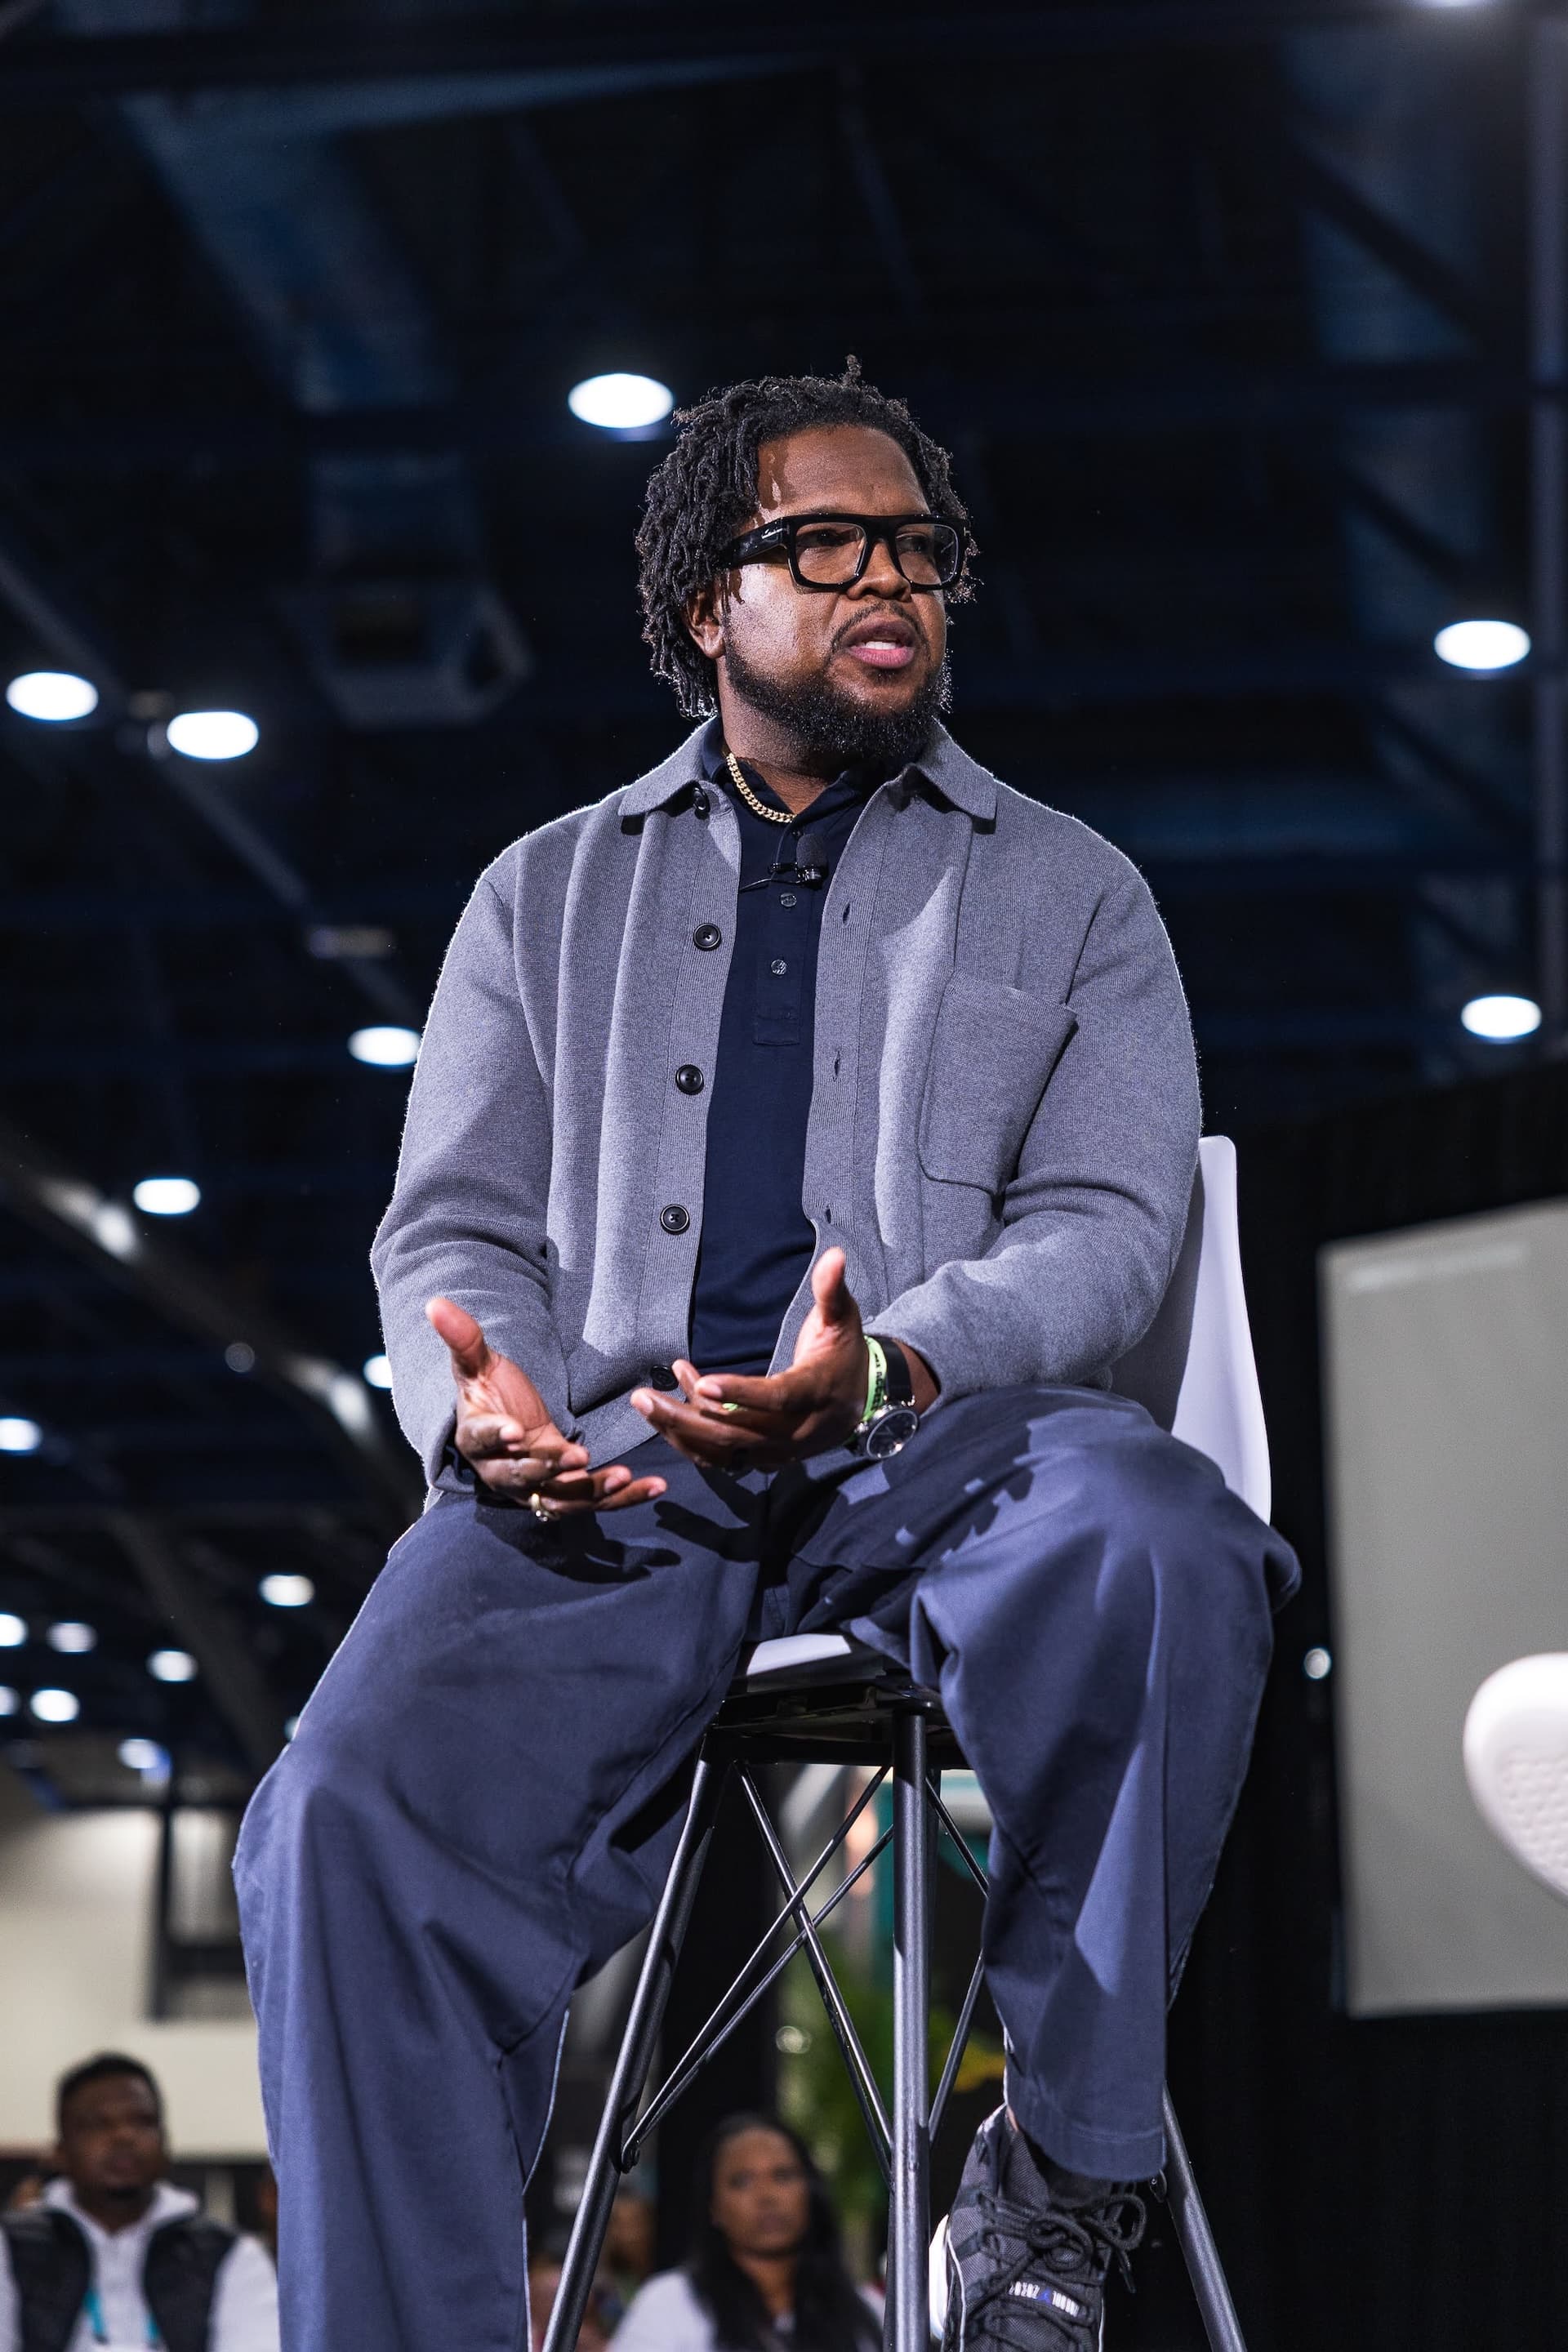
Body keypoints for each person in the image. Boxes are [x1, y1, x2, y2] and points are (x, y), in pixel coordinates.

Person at [234, 363, 1299, 2352]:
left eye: (914, 543)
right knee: (338, 1813)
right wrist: (482, 1402)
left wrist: (892, 1360)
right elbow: (453, 1228)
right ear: (705, 603)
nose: (885, 574)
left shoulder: (1075, 891)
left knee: (1168, 1541)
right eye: (822, 541)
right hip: (624, 1473)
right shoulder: (540, 893)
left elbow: (1105, 1225)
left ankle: (1057, 2193)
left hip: (940, 1446)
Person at [0, 2053, 278, 2352]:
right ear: (60, 2149)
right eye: (98, 2124)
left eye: (142, 2122)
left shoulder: (231, 2255)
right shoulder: (10, 2247)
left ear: (165, 2141)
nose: (124, 2136)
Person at [612, 2116, 876, 2352]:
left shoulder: (870, 2311)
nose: (767, 2195)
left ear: (811, 2191)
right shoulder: (670, 2304)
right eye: (742, 2181)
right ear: (713, 2207)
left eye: (783, 2176)